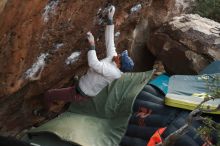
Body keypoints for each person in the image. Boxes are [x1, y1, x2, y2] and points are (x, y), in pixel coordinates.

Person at [33, 5, 134, 117]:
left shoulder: (112, 71)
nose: (119, 54)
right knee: (78, 80)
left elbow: (94, 64)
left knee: (49, 95)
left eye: (121, 57)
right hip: (85, 85)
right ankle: (75, 84)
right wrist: (110, 19)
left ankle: (45, 112)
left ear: (119, 65)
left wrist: (92, 45)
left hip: (80, 92)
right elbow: (110, 42)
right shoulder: (114, 60)